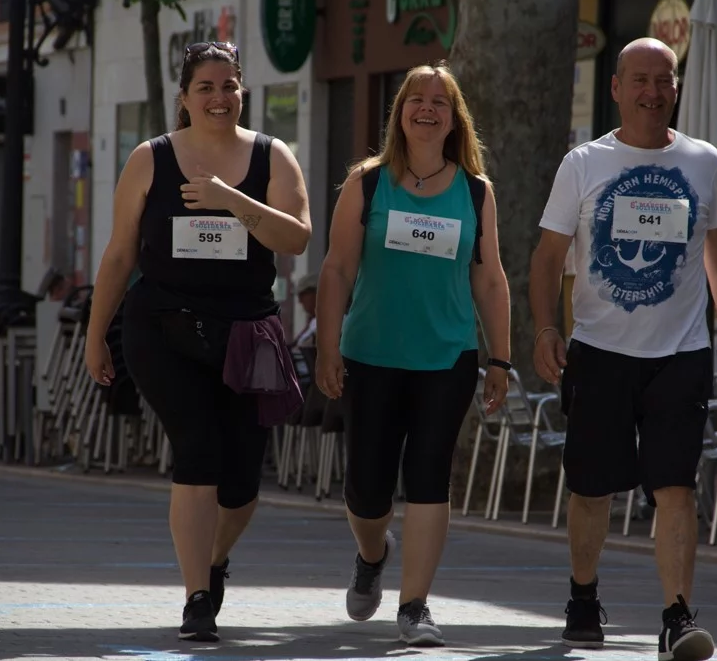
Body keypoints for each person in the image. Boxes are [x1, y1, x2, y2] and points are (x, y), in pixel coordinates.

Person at [530, 38, 717, 661]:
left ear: (676, 87)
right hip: (598, 350)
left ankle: (678, 616)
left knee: (677, 485)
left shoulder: (704, 162)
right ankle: (581, 595)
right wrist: (546, 329)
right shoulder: (583, 164)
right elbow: (547, 258)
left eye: (664, 80)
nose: (653, 92)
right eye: (641, 80)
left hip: (680, 354)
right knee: (592, 488)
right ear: (617, 88)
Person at [83, 41, 311, 642]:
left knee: (242, 485)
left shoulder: (272, 155)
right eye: (205, 87)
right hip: (163, 326)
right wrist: (94, 334)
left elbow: (297, 240)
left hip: (246, 333)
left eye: (229, 85)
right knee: (198, 449)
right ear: (183, 98)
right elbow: (119, 254)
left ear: (243, 92)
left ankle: (211, 560)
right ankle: (198, 598)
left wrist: (231, 200)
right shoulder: (150, 159)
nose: (219, 97)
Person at [315, 61, 511, 647]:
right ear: (400, 112)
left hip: (447, 357)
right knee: (367, 489)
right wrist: (328, 346)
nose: (427, 109)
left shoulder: (476, 192)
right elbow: (337, 268)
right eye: (416, 99)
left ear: (455, 120)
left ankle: (416, 605)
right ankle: (372, 555)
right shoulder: (368, 182)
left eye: (440, 102)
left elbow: (491, 280)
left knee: (429, 477)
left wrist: (499, 359)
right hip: (371, 354)